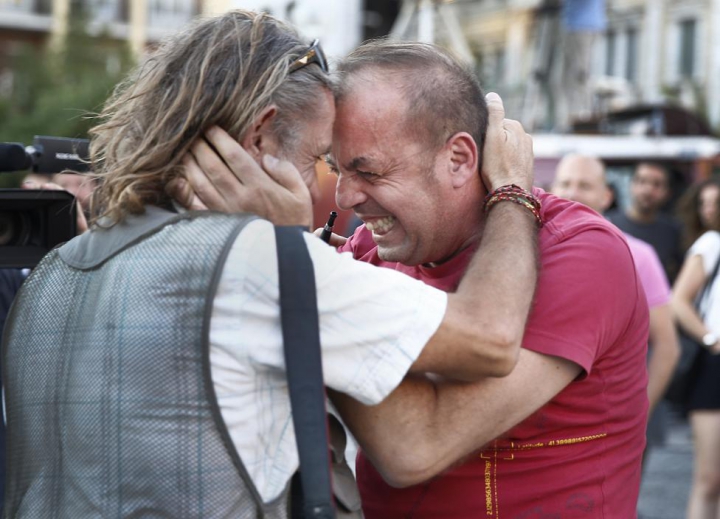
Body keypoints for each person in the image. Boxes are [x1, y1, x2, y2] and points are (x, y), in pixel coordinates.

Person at [1, 10, 539, 518]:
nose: (324, 191)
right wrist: (512, 190)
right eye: (315, 159)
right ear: (260, 135)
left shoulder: (52, 273)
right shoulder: (257, 259)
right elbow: (489, 338)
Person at [185, 40, 650, 517]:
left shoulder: (580, 253)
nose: (344, 198)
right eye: (335, 168)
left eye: (368, 171)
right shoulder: (367, 249)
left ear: (459, 159)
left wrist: (293, 265)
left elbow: (419, 446)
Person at [551, 153, 680, 458]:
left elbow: (667, 346)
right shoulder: (530, 249)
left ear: (606, 196)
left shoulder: (638, 254)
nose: (572, 192)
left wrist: (636, 414)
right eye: (565, 183)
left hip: (611, 421)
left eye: (584, 185)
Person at [672, 178, 720, 519]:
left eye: (715, 202)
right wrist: (710, 339)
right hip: (714, 367)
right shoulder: (711, 242)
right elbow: (678, 302)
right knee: (709, 478)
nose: (709, 210)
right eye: (704, 203)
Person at [607, 161, 684, 282]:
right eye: (642, 181)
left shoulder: (674, 231)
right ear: (631, 185)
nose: (648, 190)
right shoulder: (609, 224)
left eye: (656, 184)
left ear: (667, 192)